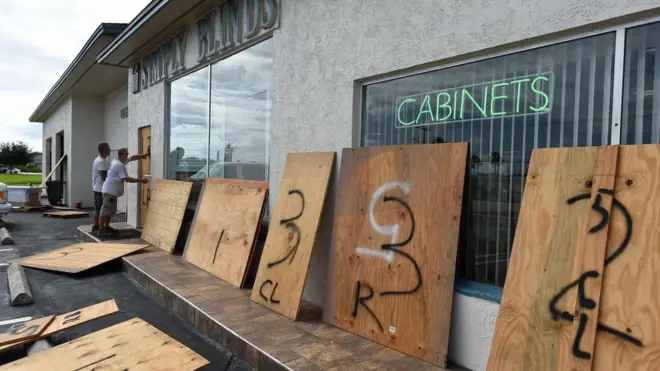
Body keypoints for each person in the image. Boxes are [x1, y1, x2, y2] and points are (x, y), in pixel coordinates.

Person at [99, 148, 148, 236]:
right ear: (121, 154)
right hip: (110, 191)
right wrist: (141, 180)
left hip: (112, 191)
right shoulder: (119, 165)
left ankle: (106, 227)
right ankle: (101, 229)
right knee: (106, 210)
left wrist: (142, 156)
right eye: (126, 154)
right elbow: (127, 179)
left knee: (110, 211)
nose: (127, 156)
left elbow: (132, 158)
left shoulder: (117, 160)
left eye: (127, 154)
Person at [91, 142, 110, 235]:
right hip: (101, 189)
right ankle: (100, 228)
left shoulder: (99, 159)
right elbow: (104, 177)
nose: (110, 149)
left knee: (101, 209)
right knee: (102, 209)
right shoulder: (101, 161)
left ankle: (99, 226)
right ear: (104, 150)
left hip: (98, 188)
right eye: (108, 148)